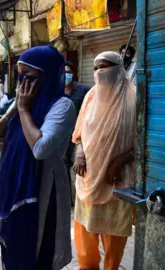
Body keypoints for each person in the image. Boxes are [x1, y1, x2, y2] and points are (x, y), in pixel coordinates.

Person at [0, 46, 76, 269]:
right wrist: (14, 110)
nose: (22, 82)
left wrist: (24, 110)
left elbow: (40, 148)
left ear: (46, 76)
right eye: (19, 75)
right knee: (14, 251)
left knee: (39, 253)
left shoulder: (62, 106)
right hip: (14, 188)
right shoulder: (22, 102)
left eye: (29, 76)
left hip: (42, 189)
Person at [72, 51, 136, 270]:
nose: (100, 72)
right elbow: (79, 132)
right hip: (88, 178)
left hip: (117, 180)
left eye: (106, 67)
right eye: (97, 68)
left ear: (119, 70)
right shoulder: (91, 95)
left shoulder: (133, 98)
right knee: (85, 238)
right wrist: (80, 153)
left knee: (113, 241)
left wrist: (119, 161)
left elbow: (144, 142)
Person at [63, 60, 91, 204]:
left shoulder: (84, 90)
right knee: (64, 166)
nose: (66, 74)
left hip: (81, 135)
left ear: (73, 73)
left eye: (68, 71)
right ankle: (68, 199)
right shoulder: (56, 90)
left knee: (83, 166)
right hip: (63, 136)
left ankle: (84, 199)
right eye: (63, 72)